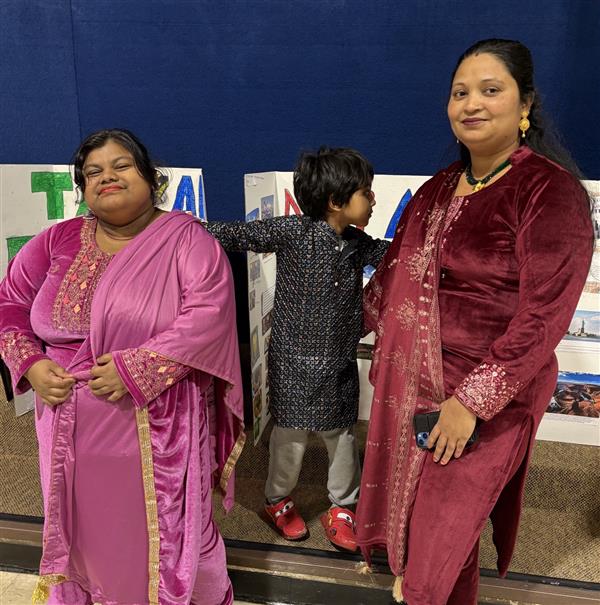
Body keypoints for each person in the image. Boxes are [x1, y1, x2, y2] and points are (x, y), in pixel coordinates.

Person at [355, 39, 594, 605]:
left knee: (434, 553)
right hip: (413, 392)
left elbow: (544, 315)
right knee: (434, 544)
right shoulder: (435, 189)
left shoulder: (548, 191)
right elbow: (388, 282)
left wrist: (470, 403)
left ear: (525, 104)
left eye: (491, 90)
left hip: (488, 403)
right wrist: (319, 339)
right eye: (460, 92)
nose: (472, 104)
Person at [0, 129, 244, 605]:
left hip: (154, 425)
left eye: (121, 165)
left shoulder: (186, 240)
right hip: (64, 422)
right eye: (92, 172)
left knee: (158, 536)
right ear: (82, 188)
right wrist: (29, 363)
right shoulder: (58, 239)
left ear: (151, 177)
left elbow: (208, 314)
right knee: (81, 530)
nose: (106, 177)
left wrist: (137, 369)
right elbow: (10, 301)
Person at [207, 147, 389, 551]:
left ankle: (342, 506)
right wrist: (176, 228)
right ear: (336, 200)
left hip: (339, 363)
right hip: (293, 363)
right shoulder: (294, 232)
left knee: (342, 436)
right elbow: (237, 234)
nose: (373, 199)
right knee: (289, 438)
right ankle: (277, 499)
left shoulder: (357, 243)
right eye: (366, 192)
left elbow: (394, 258)